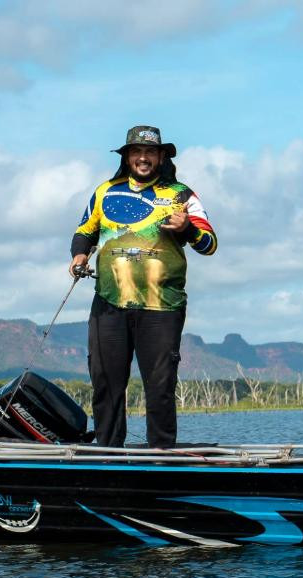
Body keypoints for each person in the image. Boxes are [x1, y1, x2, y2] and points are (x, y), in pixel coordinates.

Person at [69, 125, 217, 448]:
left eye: (150, 152)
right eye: (137, 152)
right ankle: (108, 454)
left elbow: (209, 243)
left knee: (160, 386)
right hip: (109, 305)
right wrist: (79, 255)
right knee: (105, 383)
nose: (143, 158)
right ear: (127, 157)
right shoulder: (104, 192)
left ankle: (161, 455)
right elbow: (84, 232)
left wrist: (188, 228)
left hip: (161, 308)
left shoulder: (182, 195)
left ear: (161, 156)